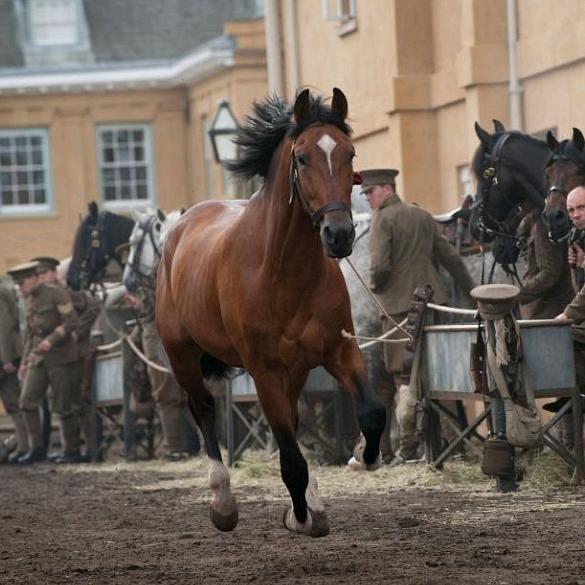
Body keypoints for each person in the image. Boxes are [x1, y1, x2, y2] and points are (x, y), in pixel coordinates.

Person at [362, 168, 476, 463]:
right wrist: (474, 291)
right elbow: (450, 258)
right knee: (437, 373)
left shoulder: (382, 219)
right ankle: (455, 444)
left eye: (370, 192)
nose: (368, 199)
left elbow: (379, 266)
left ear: (387, 189)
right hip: (432, 303)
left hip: (400, 309)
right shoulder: (423, 216)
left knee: (405, 377)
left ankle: (408, 448)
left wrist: (375, 286)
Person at [8, 261, 80, 464]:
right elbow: (31, 334)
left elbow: (71, 321)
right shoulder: (29, 300)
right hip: (38, 359)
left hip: (61, 357)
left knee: (63, 406)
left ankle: (70, 450)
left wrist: (52, 339)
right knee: (27, 402)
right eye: (18, 285)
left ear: (34, 278)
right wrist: (24, 361)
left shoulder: (56, 293)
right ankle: (37, 448)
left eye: (22, 283)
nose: (20, 288)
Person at [33, 256, 101, 462]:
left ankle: (90, 449)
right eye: (39, 275)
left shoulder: (66, 292)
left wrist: (78, 332)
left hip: (76, 354)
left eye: (44, 273)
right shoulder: (44, 296)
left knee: (78, 401)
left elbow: (94, 307)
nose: (42, 278)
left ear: (54, 273)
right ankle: (73, 448)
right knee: (65, 402)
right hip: (58, 356)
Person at [125, 288, 199, 460]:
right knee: (177, 395)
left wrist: (140, 302)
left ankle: (175, 448)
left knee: (168, 396)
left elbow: (151, 310)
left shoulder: (151, 280)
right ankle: (184, 447)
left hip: (160, 336)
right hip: (172, 333)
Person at [0, 278, 28, 463]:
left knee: (14, 405)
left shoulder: (1, 291)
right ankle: (23, 446)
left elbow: (3, 327)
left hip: (4, 358)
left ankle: (24, 447)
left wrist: (7, 358)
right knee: (15, 405)